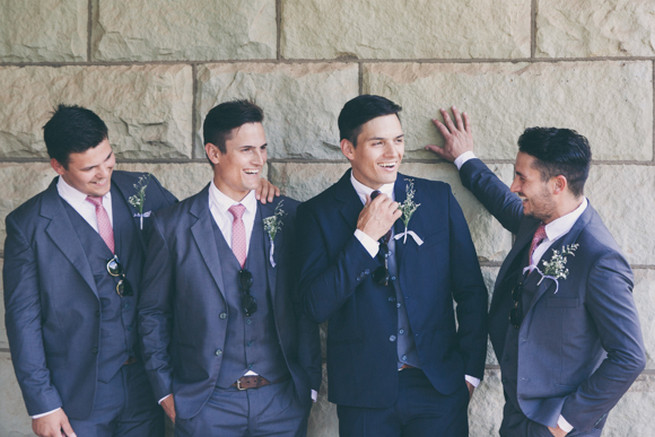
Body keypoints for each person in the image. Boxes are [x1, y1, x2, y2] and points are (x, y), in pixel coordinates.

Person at [428, 107, 646, 436]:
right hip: (517, 414)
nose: (514, 185)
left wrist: (564, 421)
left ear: (557, 184)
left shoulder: (599, 259)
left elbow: (629, 356)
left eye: (522, 177)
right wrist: (464, 158)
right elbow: (503, 200)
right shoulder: (536, 219)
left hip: (555, 425)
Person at [296, 95, 488, 436]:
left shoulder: (436, 199)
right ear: (348, 148)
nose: (392, 153)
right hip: (364, 397)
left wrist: (469, 373)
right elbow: (314, 306)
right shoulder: (317, 214)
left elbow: (471, 291)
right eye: (378, 143)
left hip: (438, 389)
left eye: (398, 141)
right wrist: (363, 239)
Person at [138, 99, 321, 436]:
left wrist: (308, 385)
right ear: (214, 152)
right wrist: (165, 390)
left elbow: (306, 303)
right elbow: (153, 314)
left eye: (263, 148)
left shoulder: (290, 217)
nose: (259, 160)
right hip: (207, 406)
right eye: (247, 150)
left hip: (281, 402)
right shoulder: (171, 227)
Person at [3, 104, 178, 437]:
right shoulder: (29, 225)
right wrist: (43, 404)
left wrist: (244, 187)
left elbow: (196, 225)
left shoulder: (144, 189)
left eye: (108, 158)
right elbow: (22, 319)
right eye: (89, 168)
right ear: (58, 166)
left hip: (146, 386)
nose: (104, 173)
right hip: (77, 395)